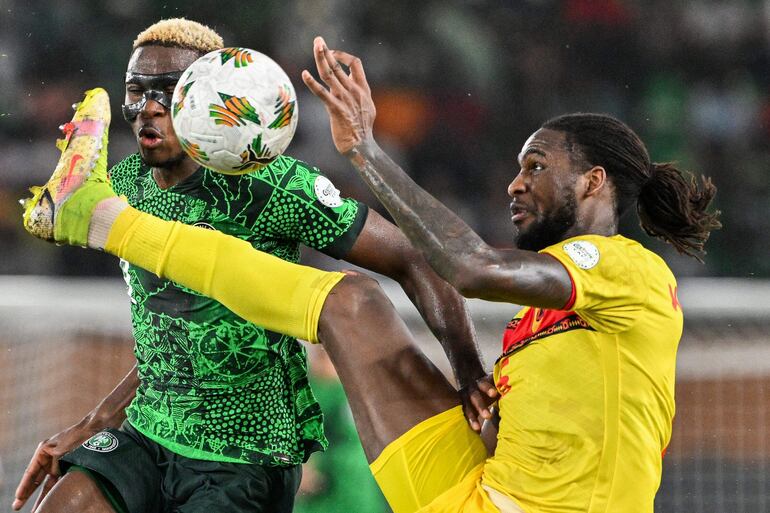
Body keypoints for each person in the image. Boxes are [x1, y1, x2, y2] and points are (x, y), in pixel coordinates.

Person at [19, 37, 720, 512]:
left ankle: (101, 217)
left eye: (536, 166)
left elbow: (467, 265)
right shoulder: (557, 295)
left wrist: (366, 152)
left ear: (595, 181)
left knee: (349, 294)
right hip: (479, 486)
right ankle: (98, 213)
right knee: (350, 301)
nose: (514, 183)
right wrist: (477, 374)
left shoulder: (626, 268)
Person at [13, 22, 490, 513]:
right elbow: (177, 332)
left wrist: (469, 369)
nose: (149, 108)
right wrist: (97, 420)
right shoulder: (127, 183)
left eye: (170, 92)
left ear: (210, 96)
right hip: (150, 430)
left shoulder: (271, 185)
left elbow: (414, 257)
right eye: (137, 91)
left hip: (244, 452)